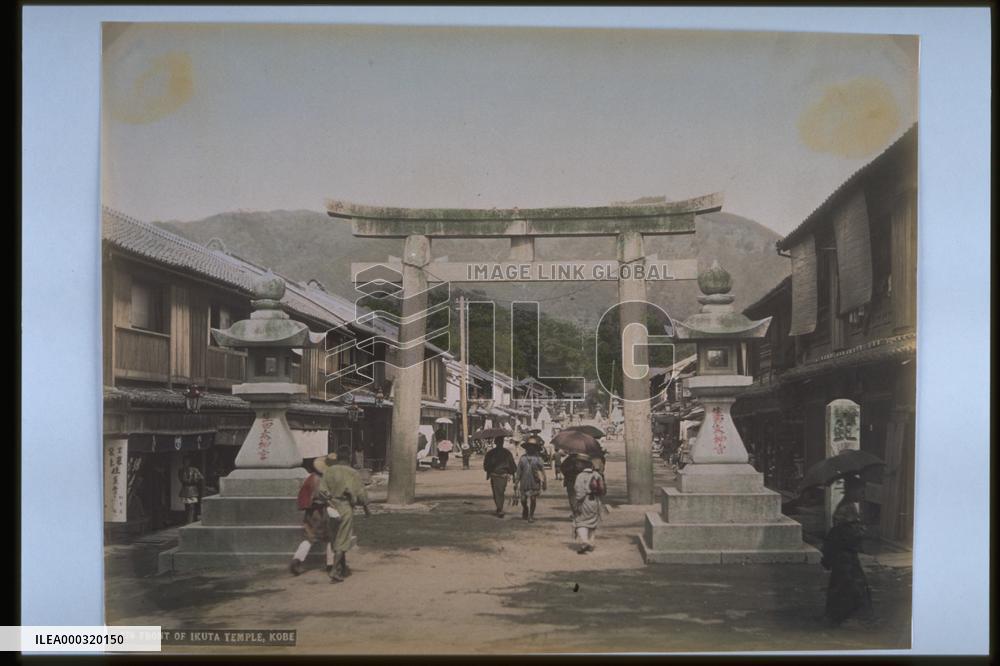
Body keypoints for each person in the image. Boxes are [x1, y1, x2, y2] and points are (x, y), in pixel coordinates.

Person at [821, 474, 873, 625]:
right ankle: (842, 616)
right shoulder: (846, 508)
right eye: (860, 491)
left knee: (846, 584)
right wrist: (861, 530)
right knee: (847, 584)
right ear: (852, 491)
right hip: (844, 553)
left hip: (845, 552)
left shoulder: (849, 506)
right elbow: (847, 533)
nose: (862, 494)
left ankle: (841, 614)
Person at [320, 445, 371, 583]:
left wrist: (329, 501)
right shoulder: (353, 473)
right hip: (345, 506)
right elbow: (361, 494)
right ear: (349, 457)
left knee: (335, 538)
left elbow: (322, 491)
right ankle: (334, 570)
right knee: (342, 539)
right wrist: (366, 508)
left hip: (331, 508)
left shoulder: (328, 471)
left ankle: (342, 567)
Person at [289, 455, 336, 576]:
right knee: (330, 537)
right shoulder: (320, 480)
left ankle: (297, 559)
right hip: (320, 511)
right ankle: (330, 564)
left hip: (309, 512)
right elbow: (322, 497)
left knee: (309, 538)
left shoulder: (310, 478)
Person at [571, 457, 606, 554]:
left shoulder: (580, 476)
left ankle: (585, 541)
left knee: (580, 521)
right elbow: (602, 489)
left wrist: (577, 501)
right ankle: (591, 542)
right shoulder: (597, 475)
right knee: (592, 522)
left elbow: (578, 491)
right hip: (595, 501)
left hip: (584, 501)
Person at [514, 437, 547, 522]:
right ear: (527, 447)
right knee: (523, 499)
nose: (531, 448)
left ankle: (531, 515)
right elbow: (519, 471)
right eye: (529, 446)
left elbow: (543, 471)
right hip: (524, 482)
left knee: (533, 499)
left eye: (533, 446)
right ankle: (525, 508)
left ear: (535, 448)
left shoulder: (538, 459)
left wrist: (544, 482)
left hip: (534, 482)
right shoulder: (522, 458)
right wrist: (516, 481)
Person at [483, 436, 516, 517]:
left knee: (498, 492)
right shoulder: (506, 453)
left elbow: (486, 465)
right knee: (498, 492)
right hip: (499, 475)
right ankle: (499, 507)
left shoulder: (491, 453)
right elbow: (512, 465)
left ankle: (499, 508)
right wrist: (513, 473)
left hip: (499, 475)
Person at [178, 456, 205, 524]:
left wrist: (195, 478)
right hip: (185, 489)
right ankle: (189, 521)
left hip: (192, 489)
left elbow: (201, 477)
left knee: (191, 507)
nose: (186, 463)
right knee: (187, 506)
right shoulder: (181, 470)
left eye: (187, 461)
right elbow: (182, 479)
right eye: (184, 462)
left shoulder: (194, 469)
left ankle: (191, 521)